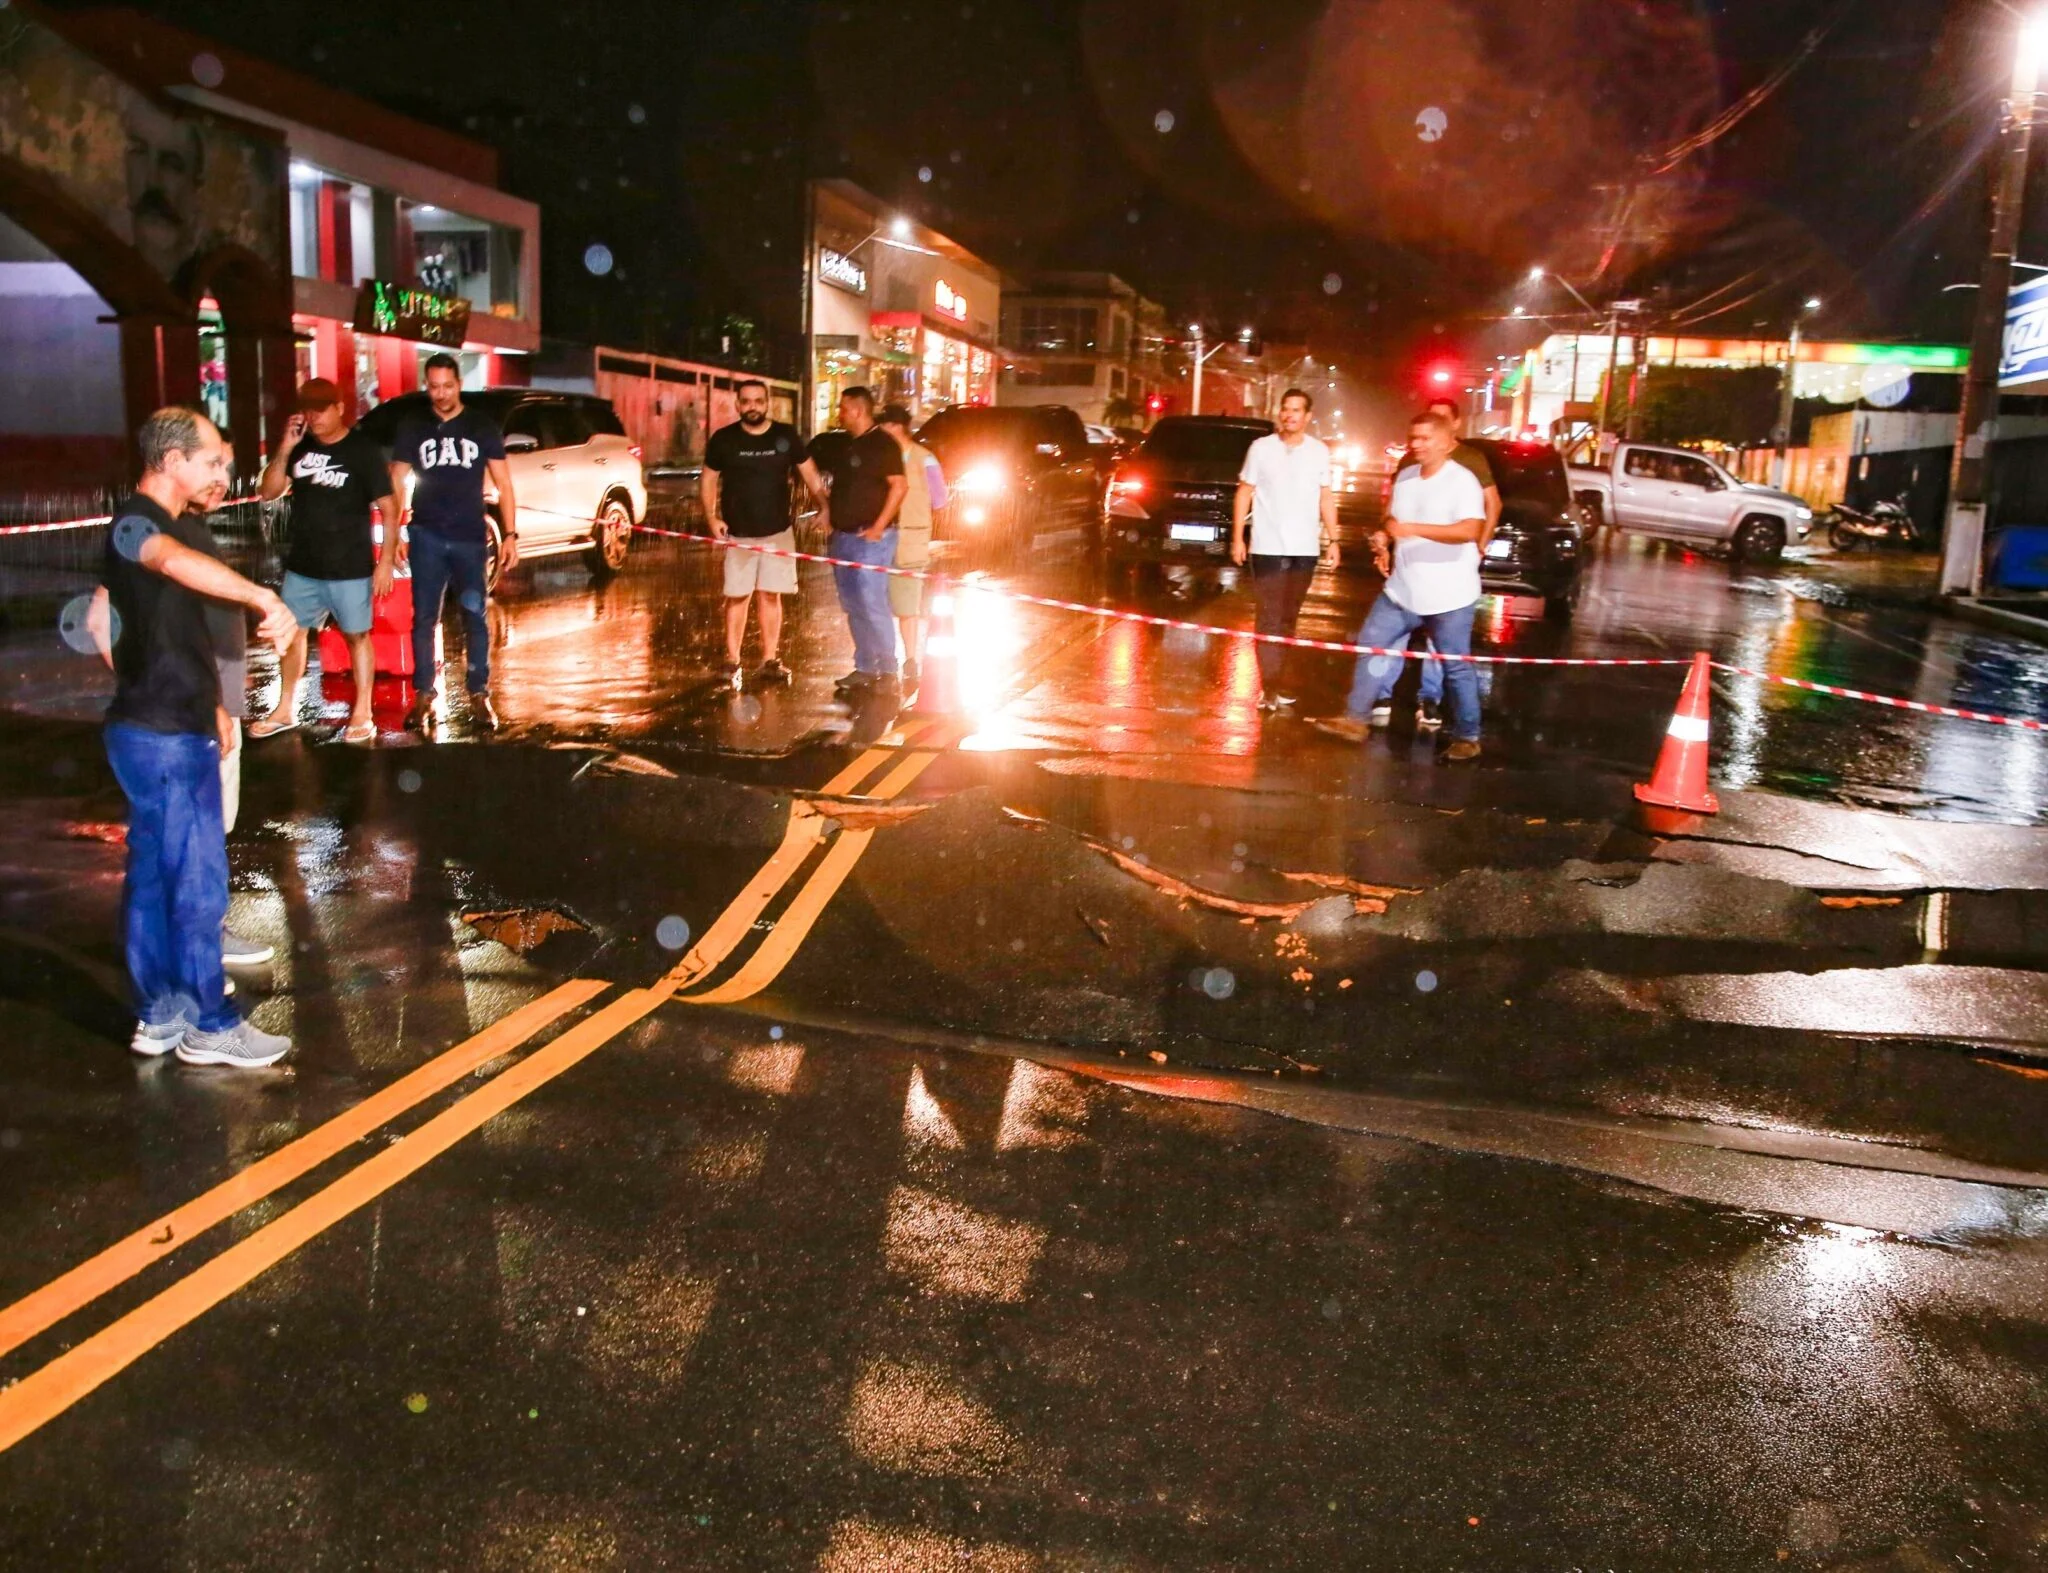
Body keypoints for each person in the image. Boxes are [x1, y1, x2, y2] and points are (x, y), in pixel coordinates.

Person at [97, 407, 297, 1066]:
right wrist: (264, 599)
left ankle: (160, 1015)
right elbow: (173, 563)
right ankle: (211, 1022)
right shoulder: (138, 525)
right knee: (196, 882)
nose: (222, 470)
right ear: (172, 460)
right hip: (164, 737)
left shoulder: (156, 527)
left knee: (154, 877)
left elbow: (102, 621)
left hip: (153, 723)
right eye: (211, 459)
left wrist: (191, 692)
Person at [1314, 410, 1487, 761]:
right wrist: (1384, 537)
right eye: (1413, 438)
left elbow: (1471, 529)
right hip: (1403, 590)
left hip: (1449, 595)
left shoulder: (1462, 481)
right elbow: (1392, 519)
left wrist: (1414, 530)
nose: (1416, 445)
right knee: (1372, 643)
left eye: (1424, 439)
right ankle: (1356, 719)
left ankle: (1468, 735)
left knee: (1454, 665)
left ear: (1444, 442)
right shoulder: (1406, 477)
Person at [250, 378, 395, 744]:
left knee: (357, 636)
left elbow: (390, 509)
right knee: (292, 634)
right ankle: (284, 708)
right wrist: (285, 448)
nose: (313, 416)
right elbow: (267, 492)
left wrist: (385, 562)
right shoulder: (300, 449)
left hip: (350, 566)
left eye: (321, 408)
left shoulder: (363, 450)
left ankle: (362, 712)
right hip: (304, 565)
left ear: (340, 408)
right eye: (308, 408)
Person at [389, 354, 517, 735]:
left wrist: (510, 535)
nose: (441, 394)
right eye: (434, 386)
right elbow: (395, 478)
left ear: (459, 384)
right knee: (424, 617)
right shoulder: (414, 425)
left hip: (469, 536)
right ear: (426, 385)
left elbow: (505, 483)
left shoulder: (480, 426)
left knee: (474, 615)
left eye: (447, 385)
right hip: (427, 534)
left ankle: (479, 693)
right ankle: (423, 694)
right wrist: (396, 531)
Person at [1374, 397, 1503, 730]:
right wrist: (1386, 542)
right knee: (1388, 637)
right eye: (1418, 432)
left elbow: (1493, 504)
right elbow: (1392, 511)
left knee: (1445, 647)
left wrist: (1480, 545)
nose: (1422, 439)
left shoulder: (1470, 463)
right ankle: (1380, 695)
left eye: (1439, 423)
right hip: (1408, 573)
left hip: (1449, 575)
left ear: (1453, 427)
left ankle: (1431, 700)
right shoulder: (1410, 464)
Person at [702, 378, 823, 688]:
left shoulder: (785, 436)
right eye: (746, 401)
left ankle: (770, 660)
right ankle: (732, 661)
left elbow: (809, 472)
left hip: (777, 532)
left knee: (771, 596)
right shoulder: (724, 439)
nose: (752, 406)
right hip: (739, 534)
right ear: (737, 404)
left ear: (768, 403)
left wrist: (825, 505)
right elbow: (708, 479)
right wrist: (711, 517)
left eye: (758, 400)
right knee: (737, 597)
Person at [1231, 388, 1337, 711]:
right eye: (1285, 409)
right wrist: (1239, 536)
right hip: (1267, 548)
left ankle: (1279, 680)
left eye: (1296, 410)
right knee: (1269, 617)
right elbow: (1244, 492)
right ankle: (1270, 685)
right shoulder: (1260, 449)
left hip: (1304, 549)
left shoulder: (1319, 452)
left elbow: (1326, 497)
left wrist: (1334, 539)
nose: (1289, 415)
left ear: (1307, 417)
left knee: (1288, 618)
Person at [810, 387, 906, 696]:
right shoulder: (848, 445)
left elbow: (899, 487)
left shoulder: (883, 445)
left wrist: (879, 526)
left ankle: (888, 669)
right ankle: (865, 666)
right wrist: (827, 513)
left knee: (872, 601)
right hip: (844, 537)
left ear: (858, 410)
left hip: (871, 538)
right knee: (853, 604)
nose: (839, 413)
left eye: (843, 408)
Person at [877, 404, 949, 686]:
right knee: (876, 604)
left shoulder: (925, 459)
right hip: (879, 537)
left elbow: (940, 498)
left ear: (896, 426)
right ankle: (884, 661)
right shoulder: (880, 457)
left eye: (884, 425)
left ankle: (909, 660)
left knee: (907, 606)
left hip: (910, 539)